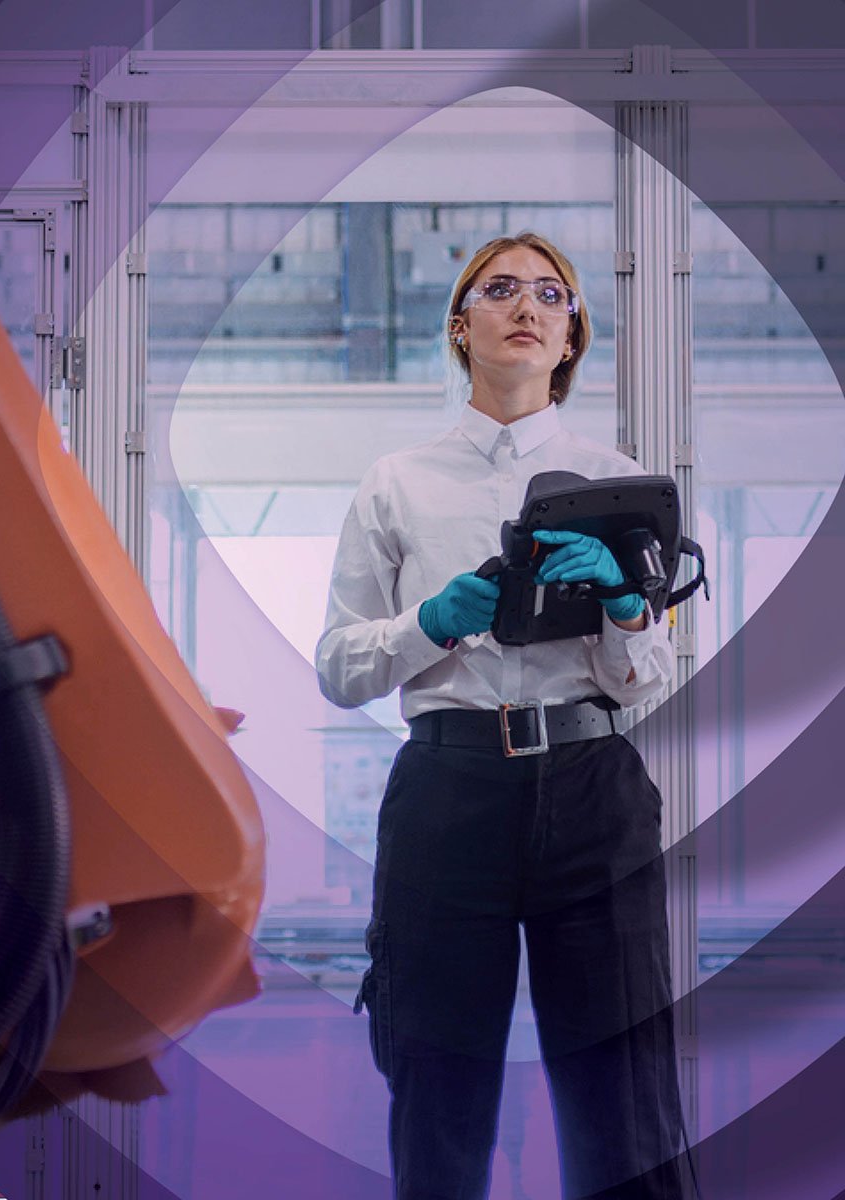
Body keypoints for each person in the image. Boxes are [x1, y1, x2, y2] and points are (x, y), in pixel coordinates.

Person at [315, 232, 688, 1200]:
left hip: (592, 784)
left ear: (570, 337)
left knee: (624, 1086)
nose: (528, 305)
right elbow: (339, 666)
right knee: (439, 1086)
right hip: (450, 789)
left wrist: (621, 601)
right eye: (501, 289)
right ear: (461, 326)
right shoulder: (396, 483)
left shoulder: (624, 482)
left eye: (552, 294)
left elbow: (645, 673)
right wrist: (429, 624)